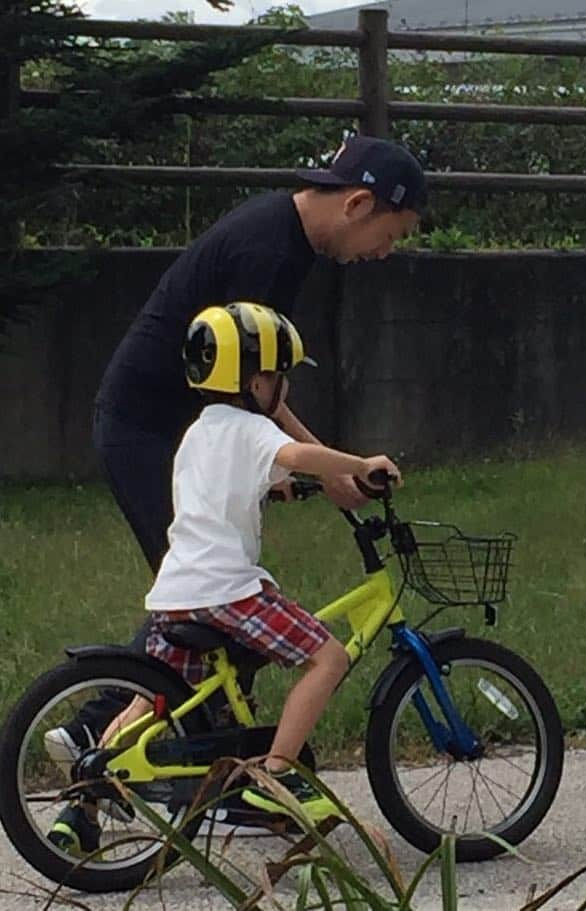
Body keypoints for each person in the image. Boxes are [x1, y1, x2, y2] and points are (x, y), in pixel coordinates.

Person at [44, 136, 426, 778]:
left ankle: (211, 765)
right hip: (148, 429)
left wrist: (272, 472)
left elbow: (251, 392)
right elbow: (253, 384)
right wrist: (332, 470)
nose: (386, 252)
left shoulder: (285, 236)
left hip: (189, 431)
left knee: (215, 609)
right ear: (360, 203)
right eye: (393, 233)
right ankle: (99, 739)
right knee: (203, 588)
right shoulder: (269, 250)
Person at [49, 302, 402, 856]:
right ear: (258, 381)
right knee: (328, 658)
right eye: (279, 378)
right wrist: (359, 464)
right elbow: (296, 453)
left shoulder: (200, 433)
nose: (282, 390)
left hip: (177, 592)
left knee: (159, 698)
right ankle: (275, 777)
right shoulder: (253, 430)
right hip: (227, 592)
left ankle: (85, 798)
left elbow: (251, 476)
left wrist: (280, 486)